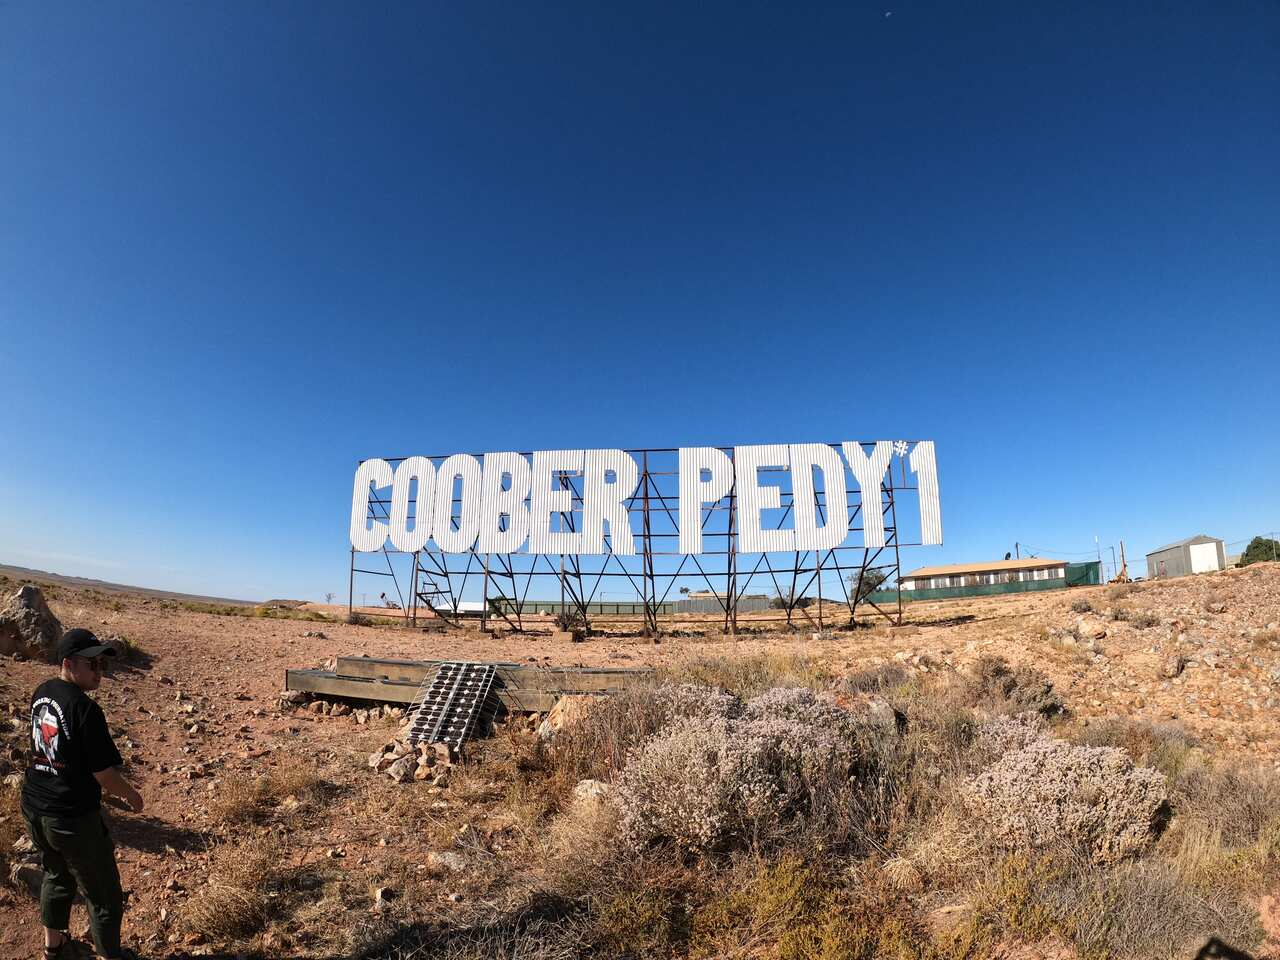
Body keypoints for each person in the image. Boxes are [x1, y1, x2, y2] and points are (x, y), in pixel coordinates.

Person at [21, 628, 144, 960]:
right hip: (70, 817)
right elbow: (104, 774)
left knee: (57, 873)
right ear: (68, 663)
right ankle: (108, 955)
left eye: (102, 664)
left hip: (35, 807)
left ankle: (54, 947)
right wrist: (132, 797)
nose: (99, 671)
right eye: (92, 664)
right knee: (103, 892)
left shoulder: (42, 691)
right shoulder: (86, 711)